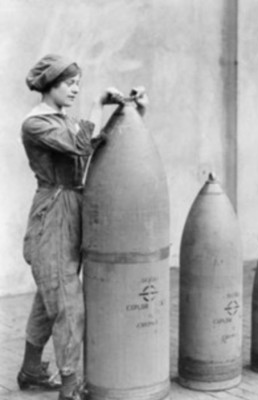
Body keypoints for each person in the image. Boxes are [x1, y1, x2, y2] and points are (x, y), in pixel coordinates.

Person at [18, 54, 148, 400]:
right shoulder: (36, 124)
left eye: (79, 83)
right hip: (52, 216)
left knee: (51, 300)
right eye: (68, 83)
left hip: (72, 209)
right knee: (67, 304)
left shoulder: (62, 119)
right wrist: (95, 105)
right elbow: (79, 145)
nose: (75, 89)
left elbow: (92, 146)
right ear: (49, 86)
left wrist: (131, 111)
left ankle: (30, 372)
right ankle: (72, 388)